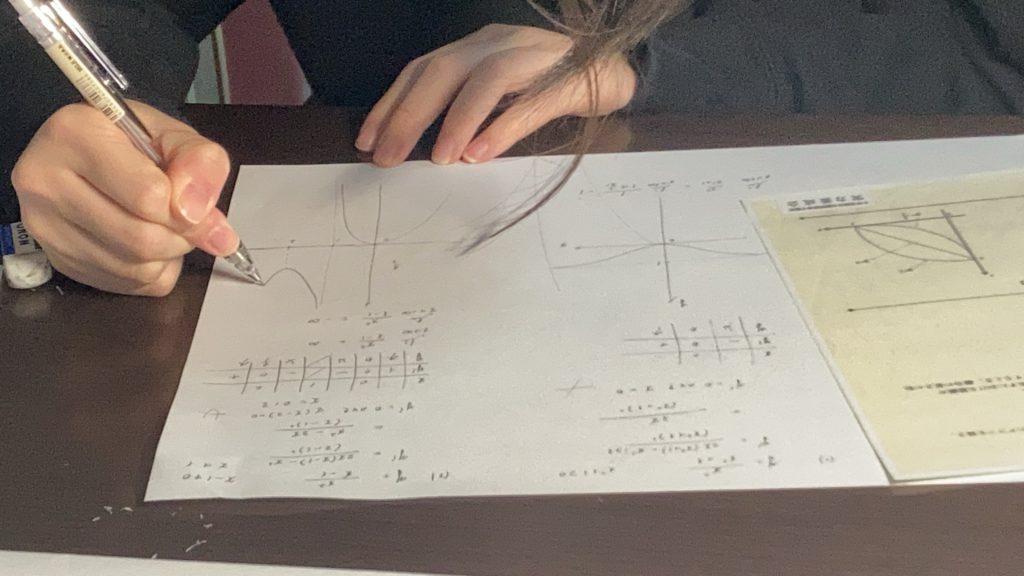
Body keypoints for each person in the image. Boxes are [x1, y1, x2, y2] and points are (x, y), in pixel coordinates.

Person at [2, 0, 1022, 296]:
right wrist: (55, 125)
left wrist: (646, 67)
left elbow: (987, 46)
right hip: (384, 243)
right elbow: (65, 23)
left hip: (866, 259)